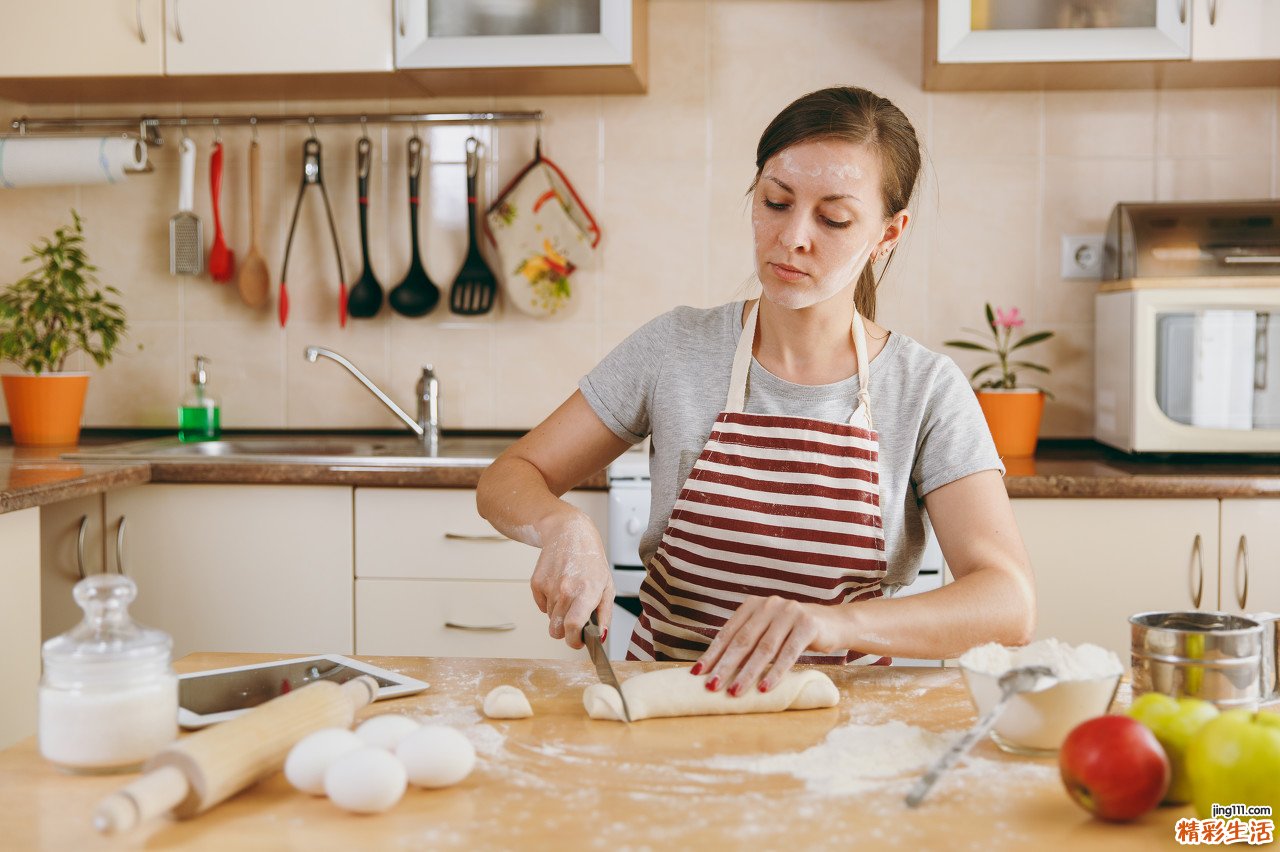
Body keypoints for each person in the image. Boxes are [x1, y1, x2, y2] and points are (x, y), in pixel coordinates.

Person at [477, 86, 1035, 698]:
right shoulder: (677, 348)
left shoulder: (924, 389)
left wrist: (831, 623)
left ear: (888, 233)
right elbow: (510, 475)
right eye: (776, 201)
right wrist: (562, 527)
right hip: (668, 704)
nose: (793, 236)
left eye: (834, 218)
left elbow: (1008, 602)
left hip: (843, 721)